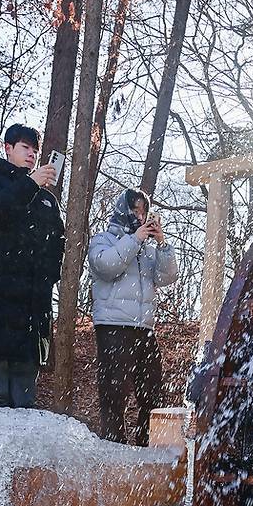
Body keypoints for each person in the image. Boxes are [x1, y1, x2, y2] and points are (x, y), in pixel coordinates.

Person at [0, 123, 64, 408]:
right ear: (8, 149)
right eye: (25, 148)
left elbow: (57, 241)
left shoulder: (46, 199)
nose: (31, 154)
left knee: (26, 403)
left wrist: (47, 279)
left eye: (35, 150)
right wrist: (30, 183)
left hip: (31, 311)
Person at [88, 188, 178, 446]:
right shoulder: (103, 239)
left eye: (144, 211)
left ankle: (145, 443)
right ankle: (112, 446)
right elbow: (106, 267)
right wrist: (135, 239)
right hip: (113, 326)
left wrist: (162, 244)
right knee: (114, 393)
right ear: (123, 211)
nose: (140, 216)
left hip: (144, 328)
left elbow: (167, 277)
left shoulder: (148, 250)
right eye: (135, 210)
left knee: (152, 390)